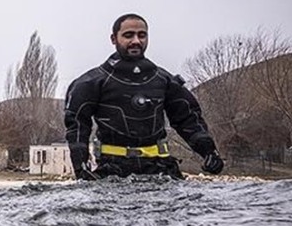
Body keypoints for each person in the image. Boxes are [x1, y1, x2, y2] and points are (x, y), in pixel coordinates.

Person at [64, 13, 224, 180]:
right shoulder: (91, 82)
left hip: (162, 170)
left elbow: (187, 118)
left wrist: (209, 151)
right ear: (113, 39)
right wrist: (81, 167)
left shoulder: (163, 79)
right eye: (128, 35)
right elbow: (77, 124)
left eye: (142, 35)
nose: (136, 41)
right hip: (112, 172)